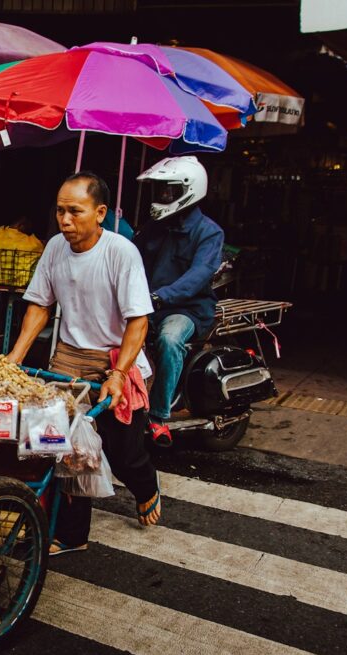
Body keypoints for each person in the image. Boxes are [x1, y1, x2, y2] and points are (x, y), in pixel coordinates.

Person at [7, 171, 160, 554]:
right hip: (68, 359)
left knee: (124, 454)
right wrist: (15, 357)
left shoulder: (121, 252)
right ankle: (71, 535)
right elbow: (40, 305)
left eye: (75, 211)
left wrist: (120, 374)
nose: (65, 220)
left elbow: (138, 320)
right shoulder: (56, 248)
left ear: (101, 213)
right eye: (60, 211)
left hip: (115, 358)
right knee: (60, 448)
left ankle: (146, 487)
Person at [134, 156, 223, 446]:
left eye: (167, 192)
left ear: (188, 190)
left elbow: (199, 275)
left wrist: (162, 297)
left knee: (170, 341)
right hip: (149, 304)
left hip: (186, 309)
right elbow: (131, 256)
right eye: (159, 191)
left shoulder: (208, 232)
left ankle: (159, 418)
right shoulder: (153, 226)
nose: (161, 197)